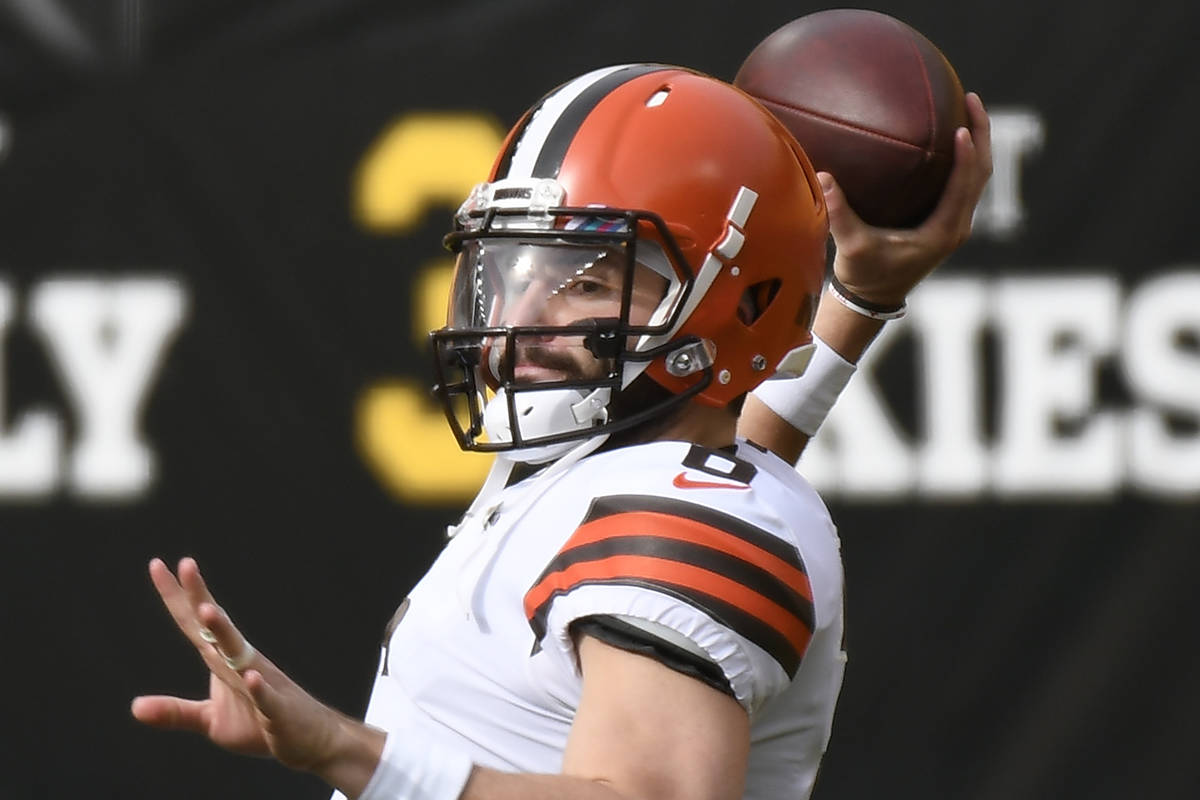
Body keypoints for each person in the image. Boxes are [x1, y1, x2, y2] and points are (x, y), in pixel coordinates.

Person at [132, 63, 991, 800]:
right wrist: (859, 300)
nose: (522, 321)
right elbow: (714, 448)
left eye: (589, 283)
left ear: (743, 303)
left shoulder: (690, 519)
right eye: (512, 271)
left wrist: (347, 751)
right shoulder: (646, 477)